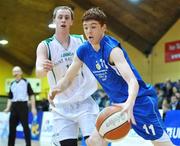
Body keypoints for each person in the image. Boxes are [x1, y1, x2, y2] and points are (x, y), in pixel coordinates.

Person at [49, 7, 174, 146]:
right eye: (85, 27)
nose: (89, 31)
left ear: (103, 28)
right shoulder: (83, 50)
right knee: (93, 141)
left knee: (162, 144)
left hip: (139, 102)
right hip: (117, 106)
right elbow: (67, 78)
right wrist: (56, 89)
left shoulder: (112, 50)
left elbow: (133, 81)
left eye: (93, 27)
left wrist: (129, 103)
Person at [36, 6, 99, 146]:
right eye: (60, 17)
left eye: (67, 17)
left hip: (84, 101)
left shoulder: (81, 41)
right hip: (61, 106)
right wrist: (43, 69)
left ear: (71, 22)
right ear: (54, 20)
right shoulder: (45, 45)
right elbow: (38, 71)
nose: (63, 20)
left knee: (94, 142)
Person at [3, 66, 37, 146]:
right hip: (14, 107)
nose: (16, 73)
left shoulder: (26, 82)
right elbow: (10, 97)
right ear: (12, 73)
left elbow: (31, 95)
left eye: (17, 71)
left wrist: (33, 108)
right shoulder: (12, 84)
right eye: (14, 71)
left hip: (23, 106)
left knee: (25, 127)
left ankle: (28, 144)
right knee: (12, 128)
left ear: (21, 73)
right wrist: (8, 108)